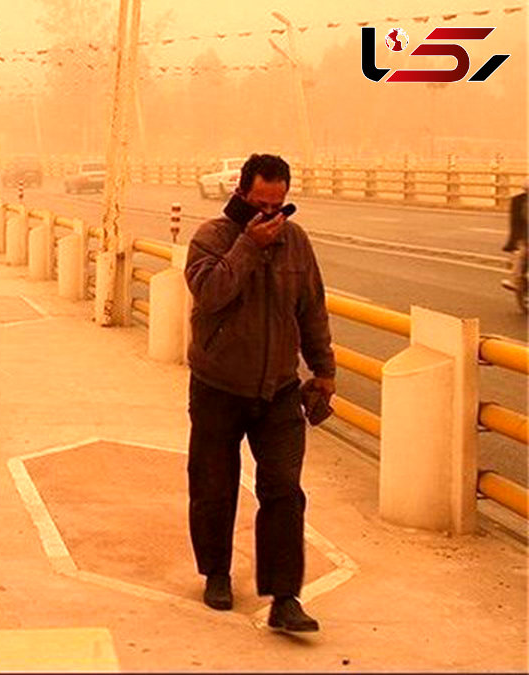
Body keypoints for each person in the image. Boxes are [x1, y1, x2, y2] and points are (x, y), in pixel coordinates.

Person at [184, 153, 335, 633]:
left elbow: (312, 309)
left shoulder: (297, 243)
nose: (272, 214)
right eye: (262, 203)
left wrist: (324, 371)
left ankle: (285, 597)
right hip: (218, 386)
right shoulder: (210, 238)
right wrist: (247, 247)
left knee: (285, 491)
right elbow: (210, 294)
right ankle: (217, 573)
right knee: (213, 486)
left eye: (280, 205)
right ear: (243, 194)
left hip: (279, 390)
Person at [500, 179, 527, 295]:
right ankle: (515, 280)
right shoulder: (519, 201)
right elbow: (515, 223)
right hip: (526, 238)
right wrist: (512, 243)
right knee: (522, 254)